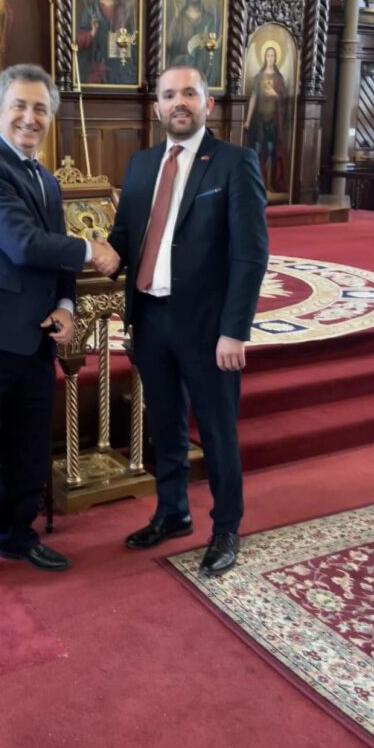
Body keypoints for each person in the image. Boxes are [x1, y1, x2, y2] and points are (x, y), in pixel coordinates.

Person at [0, 63, 117, 608]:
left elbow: (52, 256)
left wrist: (66, 304)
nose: (29, 117)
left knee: (29, 454)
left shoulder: (48, 180)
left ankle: (18, 537)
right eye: (19, 105)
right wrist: (92, 249)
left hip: (35, 338)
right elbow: (22, 243)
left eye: (40, 108)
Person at [102, 65, 268, 575]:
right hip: (150, 319)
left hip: (207, 326)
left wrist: (234, 330)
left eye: (189, 93)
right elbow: (126, 235)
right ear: (157, 106)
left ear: (207, 103)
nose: (180, 102)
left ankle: (226, 527)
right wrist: (100, 252)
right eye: (170, 94)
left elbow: (250, 254)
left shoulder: (234, 163)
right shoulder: (141, 164)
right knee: (165, 423)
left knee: (216, 430)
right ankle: (172, 512)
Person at [75, 0, 137, 85]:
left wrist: (126, 39)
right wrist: (92, 32)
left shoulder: (122, 9)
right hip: (97, 61)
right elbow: (79, 40)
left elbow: (132, 36)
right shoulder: (92, 9)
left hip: (119, 61)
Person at [244, 44, 289, 194]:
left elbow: (284, 98)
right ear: (264, 57)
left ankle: (269, 183)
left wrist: (275, 94)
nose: (270, 58)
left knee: (270, 151)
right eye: (268, 55)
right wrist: (248, 120)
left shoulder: (278, 78)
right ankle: (257, 183)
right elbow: (253, 98)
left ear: (276, 58)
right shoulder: (259, 77)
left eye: (272, 55)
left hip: (273, 122)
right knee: (257, 151)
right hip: (259, 120)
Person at [165, 0, 220, 86]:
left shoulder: (208, 19)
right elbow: (168, 44)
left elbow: (214, 50)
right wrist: (176, 17)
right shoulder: (179, 18)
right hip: (181, 70)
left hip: (203, 72)